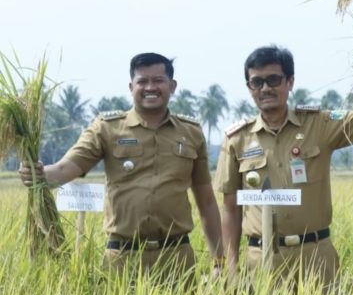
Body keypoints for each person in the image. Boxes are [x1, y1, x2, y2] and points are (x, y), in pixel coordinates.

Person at [19, 53, 224, 281]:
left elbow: (206, 201)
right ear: (131, 86)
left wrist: (219, 261)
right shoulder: (107, 128)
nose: (150, 87)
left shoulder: (191, 132)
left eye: (158, 80)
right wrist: (38, 174)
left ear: (172, 85)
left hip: (177, 258)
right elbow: (65, 169)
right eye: (142, 81)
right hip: (122, 258)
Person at [214, 32, 353, 290]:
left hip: (316, 258)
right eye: (257, 82)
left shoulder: (319, 125)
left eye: (274, 80)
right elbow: (230, 209)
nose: (265, 88)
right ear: (249, 88)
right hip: (262, 262)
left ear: (290, 81)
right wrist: (229, 266)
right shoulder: (237, 139)